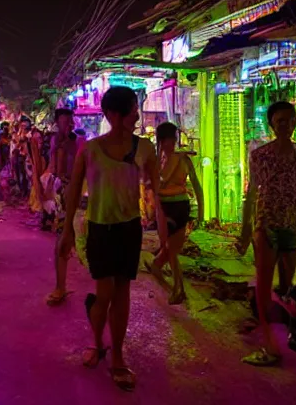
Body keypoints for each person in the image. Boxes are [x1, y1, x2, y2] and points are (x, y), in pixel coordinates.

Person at [59, 86, 166, 392]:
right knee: (104, 292)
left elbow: (155, 193)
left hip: (128, 228)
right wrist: (67, 229)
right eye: (133, 108)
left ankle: (116, 355)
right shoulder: (90, 150)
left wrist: (163, 235)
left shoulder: (144, 148)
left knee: (121, 292)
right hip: (99, 228)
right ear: (115, 114)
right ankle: (97, 341)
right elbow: (73, 191)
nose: (137, 113)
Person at [238, 101, 296, 367]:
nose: (286, 126)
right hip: (266, 227)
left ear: (295, 122)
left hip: (290, 227)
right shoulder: (260, 156)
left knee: (288, 290)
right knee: (265, 288)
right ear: (272, 125)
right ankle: (269, 347)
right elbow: (252, 193)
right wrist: (245, 233)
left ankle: (291, 339)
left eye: (290, 121)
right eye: (280, 122)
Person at [147, 122, 203, 305]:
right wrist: (201, 211)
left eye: (171, 139)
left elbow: (195, 186)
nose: (169, 143)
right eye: (168, 140)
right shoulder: (175, 160)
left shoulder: (171, 160)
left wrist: (201, 212)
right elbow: (196, 186)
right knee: (170, 249)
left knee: (171, 249)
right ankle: (175, 287)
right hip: (175, 206)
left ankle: (178, 289)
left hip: (173, 207)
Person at [46, 108, 83, 305]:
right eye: (64, 120)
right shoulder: (57, 141)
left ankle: (62, 285)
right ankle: (60, 286)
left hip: (74, 189)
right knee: (62, 235)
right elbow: (57, 168)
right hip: (63, 191)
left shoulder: (75, 140)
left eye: (69, 119)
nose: (68, 122)